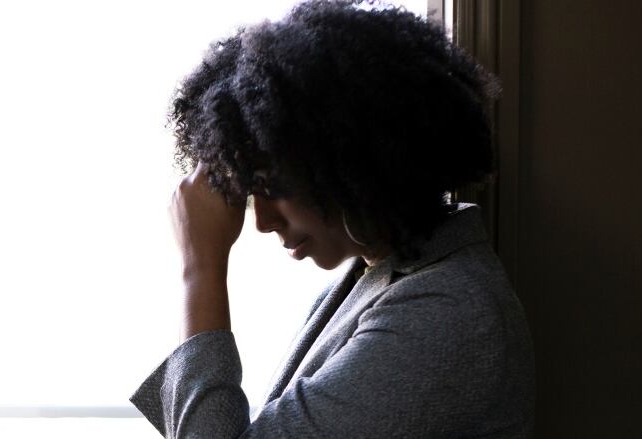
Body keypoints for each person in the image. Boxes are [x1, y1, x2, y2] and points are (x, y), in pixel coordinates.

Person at [130, 0, 535, 437]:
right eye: (250, 193)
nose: (262, 222)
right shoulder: (384, 273)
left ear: (352, 164)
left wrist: (202, 268)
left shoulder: (445, 315)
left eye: (272, 187)